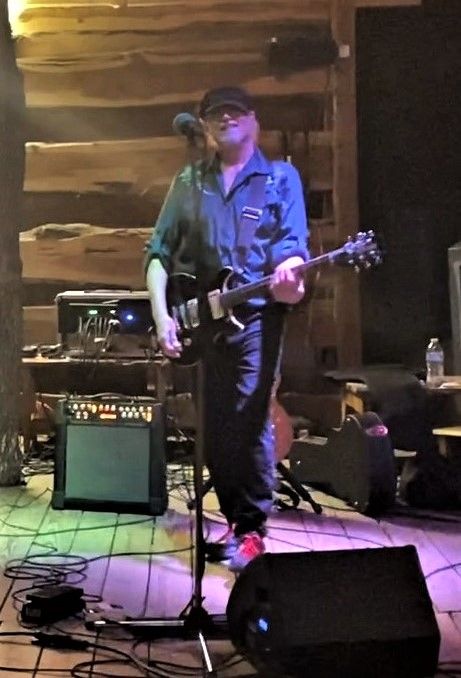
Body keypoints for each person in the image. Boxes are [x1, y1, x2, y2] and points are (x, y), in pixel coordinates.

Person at [145, 86, 309, 571]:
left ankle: (253, 530)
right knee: (214, 428)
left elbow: (292, 247)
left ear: (254, 121)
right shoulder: (191, 181)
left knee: (249, 418)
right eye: (216, 113)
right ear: (205, 125)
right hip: (203, 323)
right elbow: (158, 254)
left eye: (236, 111)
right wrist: (162, 316)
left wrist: (291, 271)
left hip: (257, 317)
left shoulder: (279, 179)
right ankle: (237, 525)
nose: (226, 119)